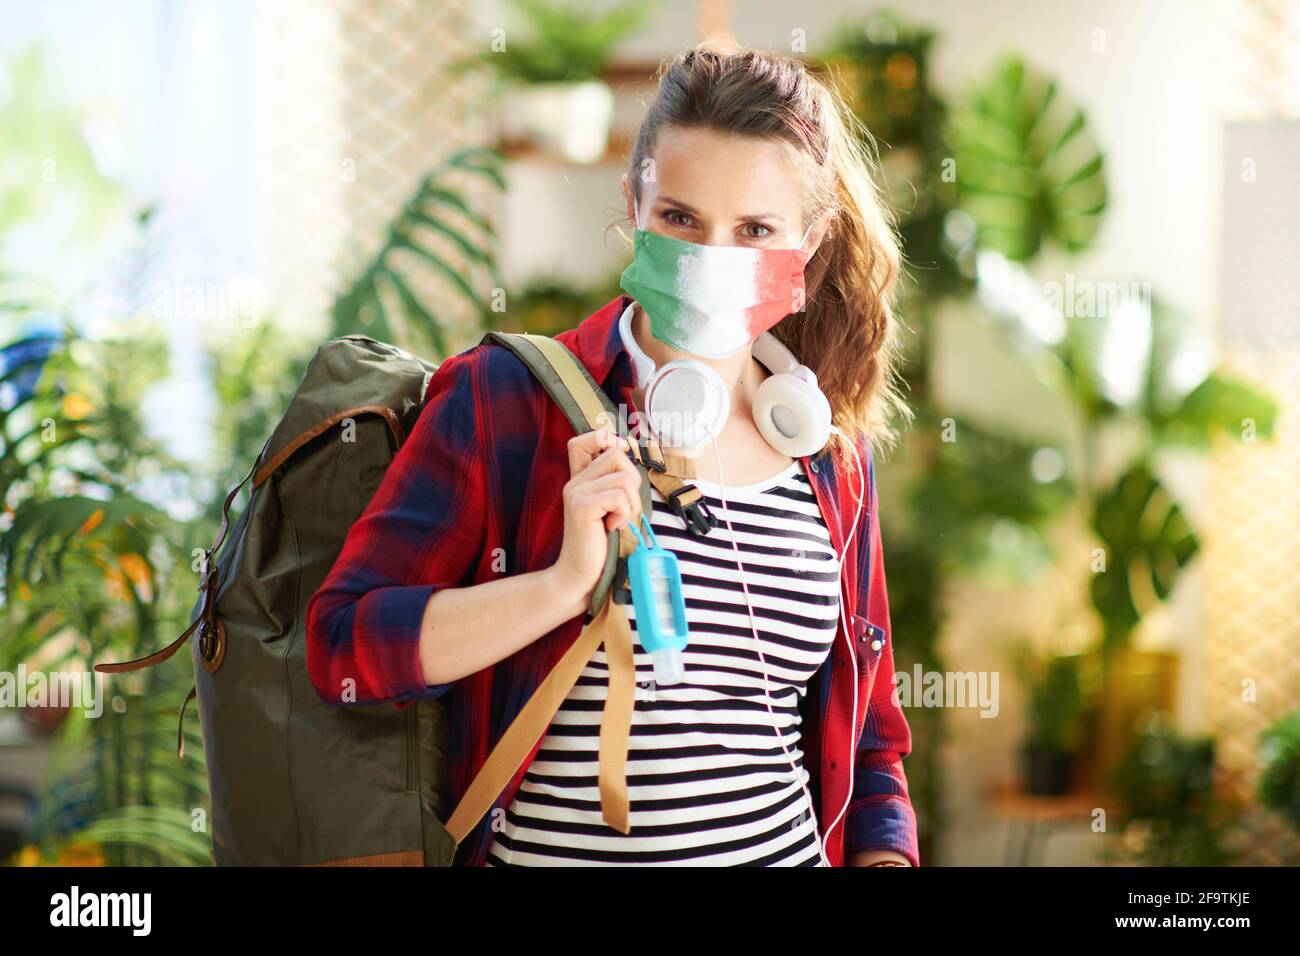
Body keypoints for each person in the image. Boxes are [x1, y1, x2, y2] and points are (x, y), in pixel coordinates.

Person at [306, 42, 918, 867]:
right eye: (681, 218)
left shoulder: (828, 452)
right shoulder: (505, 400)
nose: (713, 257)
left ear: (805, 246)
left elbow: (873, 745)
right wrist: (559, 585)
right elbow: (343, 648)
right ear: (634, 203)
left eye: (756, 231)